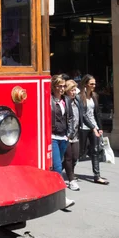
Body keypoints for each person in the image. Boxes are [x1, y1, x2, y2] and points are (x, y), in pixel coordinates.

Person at [63, 79, 96, 191]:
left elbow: (84, 116)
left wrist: (93, 127)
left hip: (76, 134)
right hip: (66, 134)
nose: (73, 92)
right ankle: (71, 179)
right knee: (68, 157)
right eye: (71, 90)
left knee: (76, 157)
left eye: (74, 90)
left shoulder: (77, 102)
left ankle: (67, 173)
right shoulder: (64, 102)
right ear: (67, 91)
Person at [50, 74, 75, 209]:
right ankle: (61, 198)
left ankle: (53, 195)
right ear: (53, 87)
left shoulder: (66, 100)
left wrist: (69, 135)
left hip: (63, 137)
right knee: (58, 168)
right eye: (59, 86)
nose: (62, 88)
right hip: (53, 137)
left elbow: (70, 118)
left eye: (63, 86)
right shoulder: (48, 100)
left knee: (57, 166)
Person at [79, 74, 109, 185]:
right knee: (80, 152)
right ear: (86, 84)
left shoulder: (95, 96)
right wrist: (92, 127)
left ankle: (97, 176)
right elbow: (82, 115)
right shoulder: (79, 96)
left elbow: (97, 113)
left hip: (94, 127)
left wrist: (99, 128)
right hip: (84, 127)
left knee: (95, 151)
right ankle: (69, 173)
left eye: (95, 84)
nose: (94, 86)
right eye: (91, 84)